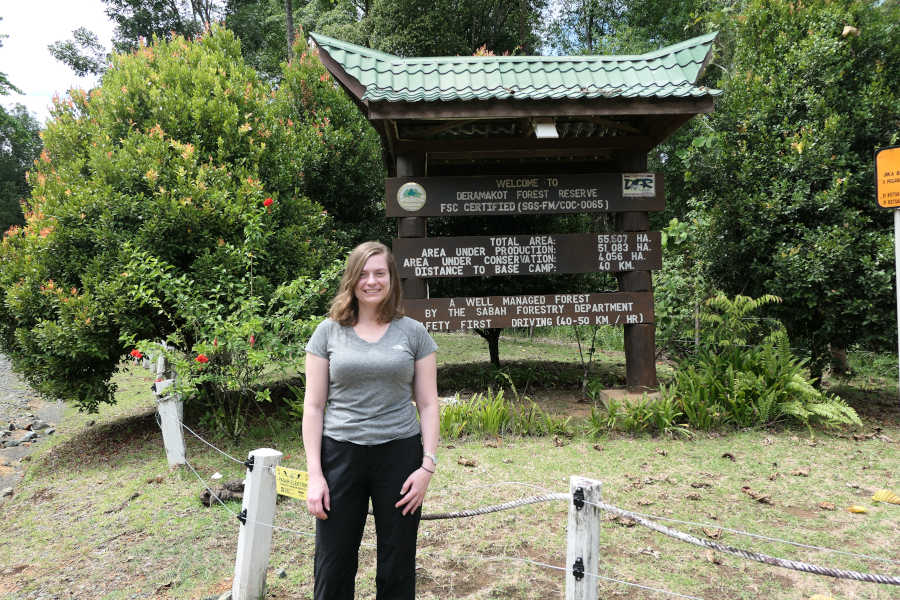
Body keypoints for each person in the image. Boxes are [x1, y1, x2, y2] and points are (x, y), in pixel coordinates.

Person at [303, 241, 439, 600]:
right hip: (340, 456)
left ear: (392, 279)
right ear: (351, 280)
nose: (372, 281)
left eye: (380, 273)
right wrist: (315, 476)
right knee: (333, 563)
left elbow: (427, 403)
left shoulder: (414, 333)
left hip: (399, 457)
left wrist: (427, 467)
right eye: (363, 273)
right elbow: (314, 406)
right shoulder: (327, 333)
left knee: (397, 561)